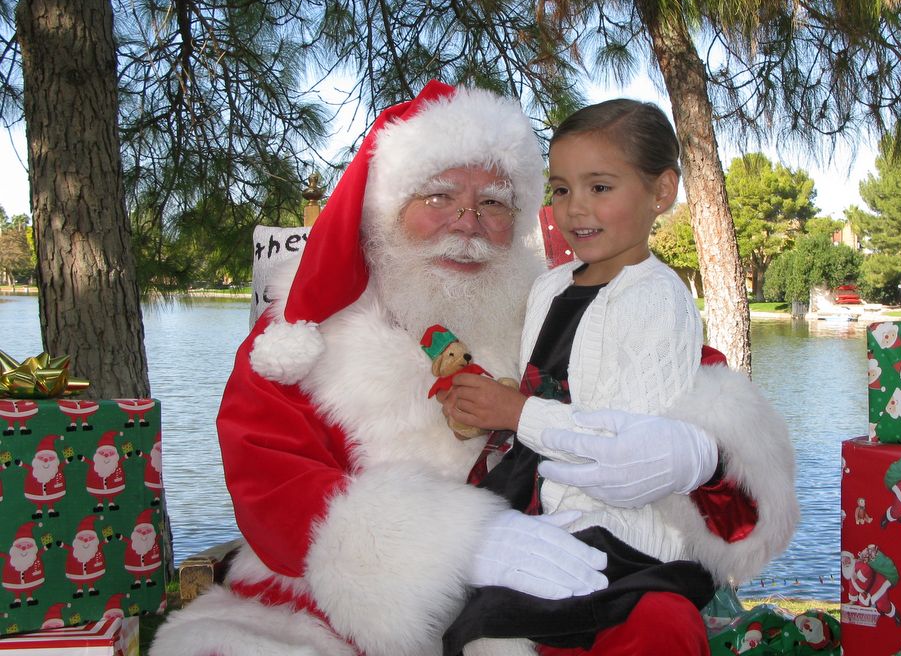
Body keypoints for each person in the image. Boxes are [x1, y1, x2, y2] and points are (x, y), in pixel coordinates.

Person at [152, 81, 798, 656]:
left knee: (657, 626)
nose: (466, 224)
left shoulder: (552, 301)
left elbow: (696, 399)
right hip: (340, 602)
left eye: (492, 203)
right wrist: (458, 544)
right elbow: (271, 482)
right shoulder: (303, 337)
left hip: (555, 566)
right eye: (438, 197)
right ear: (387, 208)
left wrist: (703, 453)